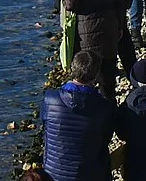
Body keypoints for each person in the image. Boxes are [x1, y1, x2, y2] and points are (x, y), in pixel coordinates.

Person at [38, 50, 115, 181]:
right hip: (90, 175)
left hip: (53, 175)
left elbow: (45, 127)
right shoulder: (103, 107)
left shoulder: (50, 99)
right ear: (95, 75)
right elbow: (106, 138)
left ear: (73, 68)